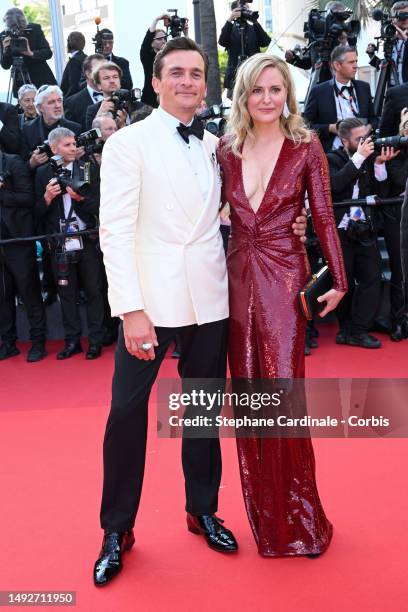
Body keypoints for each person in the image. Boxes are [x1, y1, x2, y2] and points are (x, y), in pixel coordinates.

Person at [95, 36, 309, 585]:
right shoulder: (128, 144)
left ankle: (202, 509)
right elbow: (114, 233)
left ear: (206, 84)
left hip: (212, 299)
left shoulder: (220, 145)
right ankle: (116, 528)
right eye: (178, 73)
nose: (188, 81)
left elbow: (238, 212)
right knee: (125, 415)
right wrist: (130, 310)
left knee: (202, 411)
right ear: (156, 81)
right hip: (150, 302)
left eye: (196, 73)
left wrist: (294, 226)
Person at [217, 53, 347, 557]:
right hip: (235, 279)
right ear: (243, 95)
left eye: (276, 89)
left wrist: (338, 278)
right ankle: (268, 522)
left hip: (284, 278)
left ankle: (303, 521)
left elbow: (324, 217)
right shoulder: (226, 148)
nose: (268, 99)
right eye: (258, 90)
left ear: (288, 94)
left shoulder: (305, 145)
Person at [35, 127, 105, 360]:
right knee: (67, 294)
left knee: (94, 291)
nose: (73, 148)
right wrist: (46, 199)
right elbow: (35, 213)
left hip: (86, 238)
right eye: (67, 145)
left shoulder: (86, 168)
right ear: (54, 148)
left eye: (74, 143)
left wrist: (80, 199)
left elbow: (98, 205)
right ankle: (72, 341)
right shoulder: (44, 173)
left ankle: (95, 341)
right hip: (59, 243)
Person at [327, 117, 396, 348]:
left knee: (371, 277)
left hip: (365, 227)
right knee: (343, 280)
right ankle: (346, 328)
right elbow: (335, 185)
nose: (364, 142)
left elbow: (382, 191)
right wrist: (360, 157)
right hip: (340, 229)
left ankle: (359, 329)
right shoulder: (332, 159)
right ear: (344, 140)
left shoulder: (367, 158)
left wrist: (378, 164)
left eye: (365, 137)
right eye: (359, 139)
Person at [0, 148, 47, 362]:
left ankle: (38, 342)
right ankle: (8, 343)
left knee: (29, 292)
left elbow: (28, 198)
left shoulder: (14, 162)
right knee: (3, 295)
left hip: (18, 240)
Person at [303, 45, 377, 152]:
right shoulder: (319, 91)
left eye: (356, 61)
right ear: (337, 65)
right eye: (351, 62)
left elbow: (374, 118)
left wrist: (368, 128)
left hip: (363, 149)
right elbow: (306, 124)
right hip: (333, 152)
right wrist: (331, 128)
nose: (356, 65)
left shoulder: (364, 87)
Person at [0, 7, 56, 98]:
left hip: (40, 78)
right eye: (13, 29)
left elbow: (48, 53)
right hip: (20, 80)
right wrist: (5, 51)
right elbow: (5, 65)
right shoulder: (4, 35)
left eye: (20, 29)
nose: (17, 32)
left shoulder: (34, 29)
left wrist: (31, 53)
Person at [21, 85, 82, 168]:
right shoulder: (28, 129)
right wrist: (32, 163)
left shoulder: (74, 128)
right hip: (40, 178)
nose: (57, 105)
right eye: (51, 102)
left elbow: (84, 166)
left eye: (59, 100)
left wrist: (76, 158)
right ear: (40, 107)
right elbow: (21, 165)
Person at [218, 1, 271, 96]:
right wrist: (230, 19)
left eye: (247, 9)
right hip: (235, 77)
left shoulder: (254, 28)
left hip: (254, 74)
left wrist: (255, 21)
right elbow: (222, 42)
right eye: (242, 10)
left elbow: (265, 42)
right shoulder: (230, 29)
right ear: (234, 11)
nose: (245, 12)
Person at [64, 53, 105, 131]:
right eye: (99, 70)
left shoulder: (118, 94)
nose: (104, 73)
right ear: (88, 74)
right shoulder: (72, 103)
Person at [84, 61, 128, 130]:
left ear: (120, 82)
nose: (112, 81)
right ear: (98, 85)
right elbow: (91, 139)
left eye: (115, 77)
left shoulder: (136, 106)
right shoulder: (93, 110)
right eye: (106, 78)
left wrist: (123, 125)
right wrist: (98, 116)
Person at [140, 14, 169, 107]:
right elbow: (147, 40)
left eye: (165, 38)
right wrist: (157, 19)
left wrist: (186, 33)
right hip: (149, 100)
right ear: (152, 43)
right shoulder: (147, 56)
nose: (163, 41)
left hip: (166, 99)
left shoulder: (169, 56)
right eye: (159, 39)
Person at [61, 31, 87, 99]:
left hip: (73, 99)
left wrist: (65, 100)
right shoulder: (86, 58)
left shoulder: (74, 61)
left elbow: (74, 85)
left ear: (69, 43)